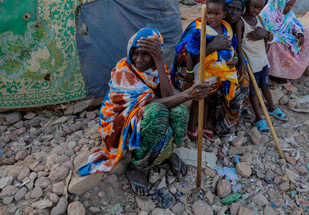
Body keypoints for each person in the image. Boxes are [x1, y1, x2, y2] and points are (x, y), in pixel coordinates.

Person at [76, 28, 209, 196]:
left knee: (179, 112)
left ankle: (166, 151)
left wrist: (160, 62)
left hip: (142, 116)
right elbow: (155, 104)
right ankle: (137, 166)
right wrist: (188, 94)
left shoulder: (157, 70)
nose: (138, 59)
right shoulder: (124, 71)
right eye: (135, 53)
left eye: (146, 55)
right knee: (157, 113)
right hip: (119, 125)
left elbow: (169, 98)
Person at [172, 0, 240, 140]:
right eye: (209, 13)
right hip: (201, 71)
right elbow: (190, 52)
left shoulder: (226, 30)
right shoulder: (200, 30)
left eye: (216, 14)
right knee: (198, 99)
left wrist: (234, 59)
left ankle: (201, 126)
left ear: (224, 14)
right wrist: (189, 72)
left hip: (215, 73)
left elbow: (230, 49)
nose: (212, 17)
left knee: (209, 98)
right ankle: (191, 128)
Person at [241, 0, 287, 131]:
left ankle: (271, 107)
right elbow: (238, 44)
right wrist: (242, 62)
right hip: (251, 64)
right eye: (253, 7)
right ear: (247, 4)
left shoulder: (259, 19)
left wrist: (267, 34)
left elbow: (268, 36)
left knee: (265, 86)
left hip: (262, 61)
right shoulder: (241, 22)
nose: (256, 10)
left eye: (259, 8)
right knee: (253, 92)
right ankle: (259, 116)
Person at [260, 0, 309, 82]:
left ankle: (304, 67)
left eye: (291, 6)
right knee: (274, 44)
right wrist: (282, 38)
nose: (289, 8)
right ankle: (276, 74)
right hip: (275, 42)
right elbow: (266, 34)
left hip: (287, 39)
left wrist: (299, 35)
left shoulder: (288, 13)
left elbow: (294, 25)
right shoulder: (268, 12)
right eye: (287, 5)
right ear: (280, 1)